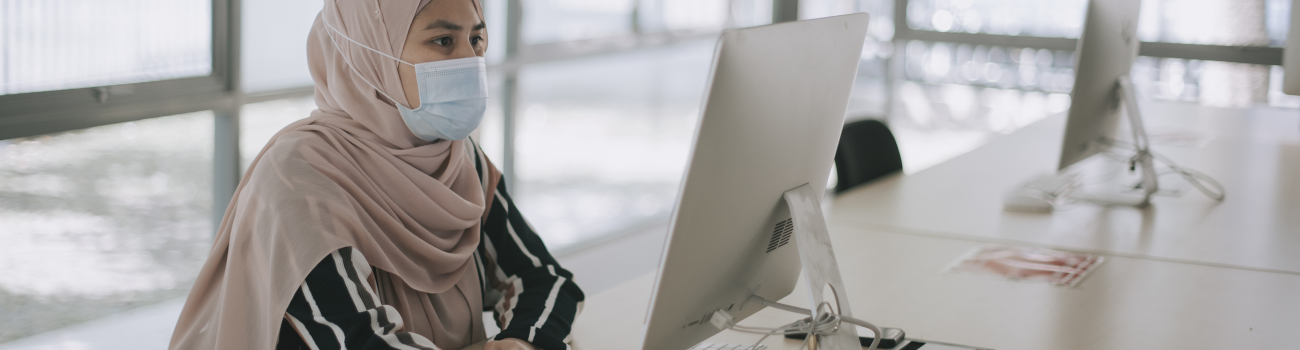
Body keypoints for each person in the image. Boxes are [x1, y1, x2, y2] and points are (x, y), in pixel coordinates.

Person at [168, 1, 583, 349]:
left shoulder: (457, 159)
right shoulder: (297, 182)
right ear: (368, 53)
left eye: (476, 40)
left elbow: (544, 278)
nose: (470, 61)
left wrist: (522, 342)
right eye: (443, 41)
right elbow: (362, 341)